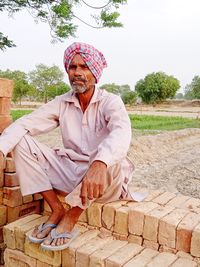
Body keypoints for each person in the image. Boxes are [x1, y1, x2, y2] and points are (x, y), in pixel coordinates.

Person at [0, 42, 134, 251]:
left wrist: (100, 163)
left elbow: (121, 133)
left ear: (95, 72)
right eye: (73, 67)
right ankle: (57, 209)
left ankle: (72, 216)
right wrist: (1, 149)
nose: (77, 73)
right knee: (21, 141)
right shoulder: (62, 102)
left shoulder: (111, 102)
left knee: (115, 160)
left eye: (84, 67)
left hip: (104, 181)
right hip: (72, 173)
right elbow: (26, 123)